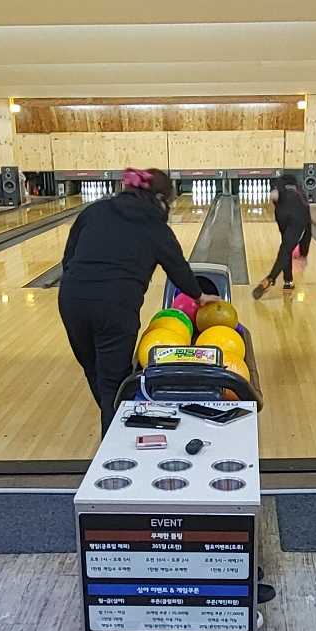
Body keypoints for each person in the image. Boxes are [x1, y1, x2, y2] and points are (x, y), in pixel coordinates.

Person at [59, 168, 214, 434]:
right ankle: (115, 444)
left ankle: (114, 423)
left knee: (94, 370)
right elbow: (178, 268)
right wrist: (199, 296)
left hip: (72, 300)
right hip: (115, 307)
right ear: (160, 199)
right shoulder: (155, 227)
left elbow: (68, 259)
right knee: (114, 385)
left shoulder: (94, 211)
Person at [252, 175, 312, 299]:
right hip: (298, 213)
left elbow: (275, 196)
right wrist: (304, 252)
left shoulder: (280, 191)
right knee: (286, 248)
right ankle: (270, 278)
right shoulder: (300, 193)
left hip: (281, 211)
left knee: (286, 247)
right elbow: (308, 227)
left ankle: (288, 281)